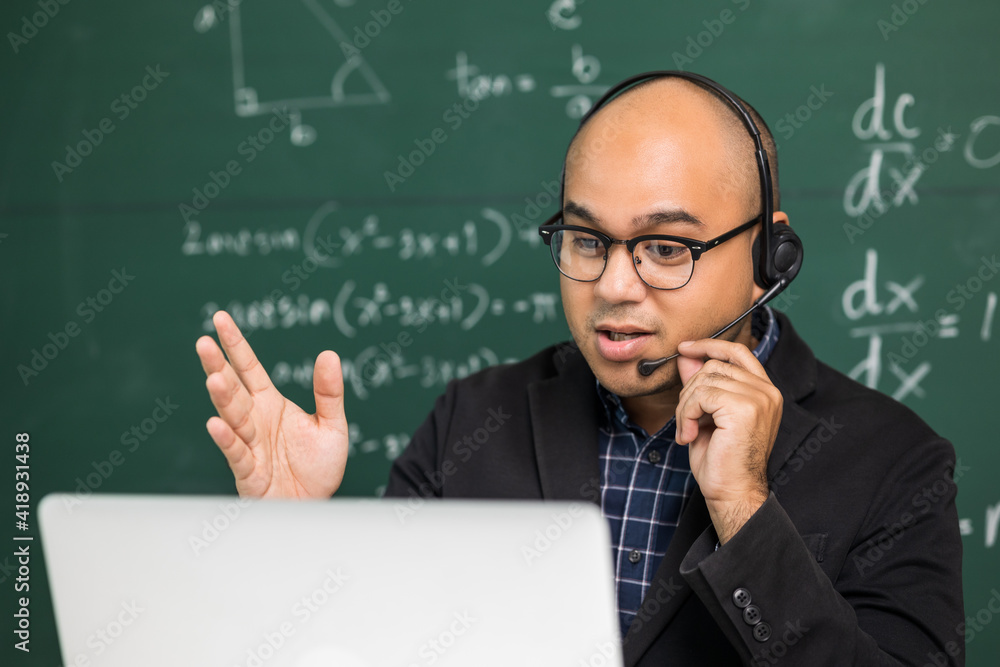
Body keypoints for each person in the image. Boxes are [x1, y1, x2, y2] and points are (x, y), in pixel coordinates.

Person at [195, 72, 964, 666]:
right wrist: (291, 537)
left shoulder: (898, 463)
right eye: (586, 239)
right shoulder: (472, 419)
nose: (613, 286)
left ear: (769, 256)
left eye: (666, 247)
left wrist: (746, 510)